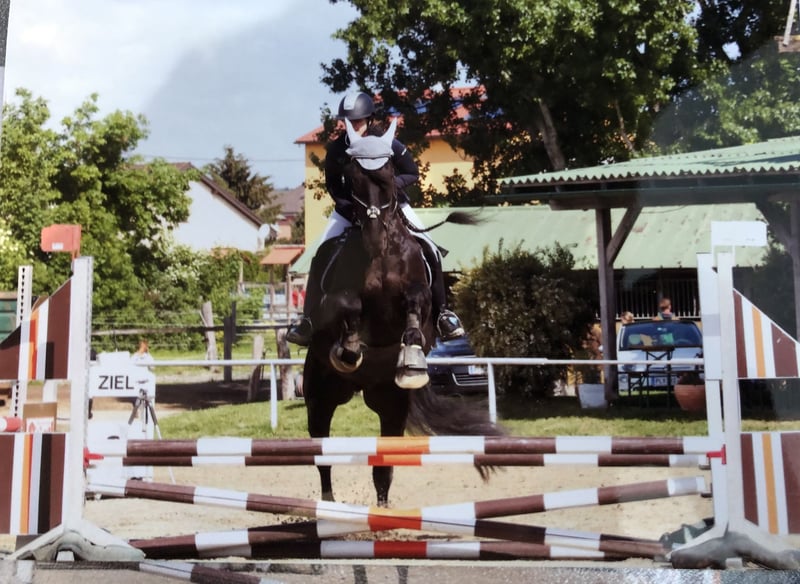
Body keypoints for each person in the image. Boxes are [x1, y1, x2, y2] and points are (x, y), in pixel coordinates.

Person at [287, 91, 465, 346]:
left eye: (358, 120)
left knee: (431, 249)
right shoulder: (337, 148)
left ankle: (443, 315)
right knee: (320, 255)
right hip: (352, 209)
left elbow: (412, 172)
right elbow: (333, 185)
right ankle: (307, 321)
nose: (353, 125)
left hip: (392, 207)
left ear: (369, 119)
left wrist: (388, 189)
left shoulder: (388, 143)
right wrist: (350, 206)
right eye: (348, 121)